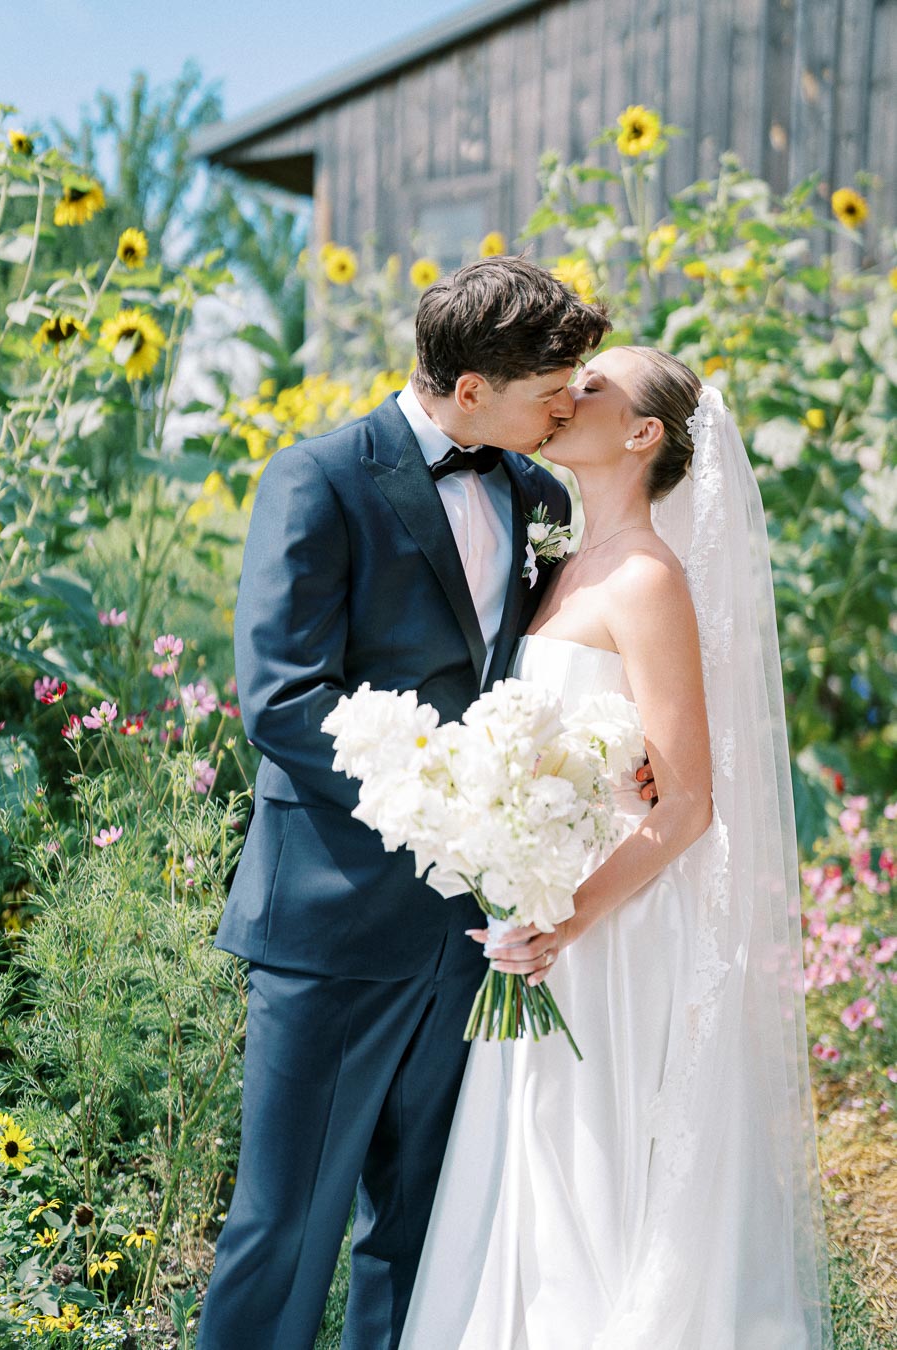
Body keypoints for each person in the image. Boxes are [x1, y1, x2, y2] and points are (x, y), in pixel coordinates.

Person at [196, 258, 635, 1350]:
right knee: (285, 1224)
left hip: (472, 929)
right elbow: (286, 700)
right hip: (334, 921)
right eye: (552, 388)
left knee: (427, 1228)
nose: (569, 405)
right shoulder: (319, 478)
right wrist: (454, 808)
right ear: (473, 388)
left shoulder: (537, 496)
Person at [399, 347, 834, 1349]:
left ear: (643, 435)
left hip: (608, 926)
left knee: (585, 1185)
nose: (568, 392)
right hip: (543, 911)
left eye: (595, 385)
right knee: (533, 1179)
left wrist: (569, 914)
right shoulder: (561, 559)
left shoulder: (644, 577)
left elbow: (686, 805)